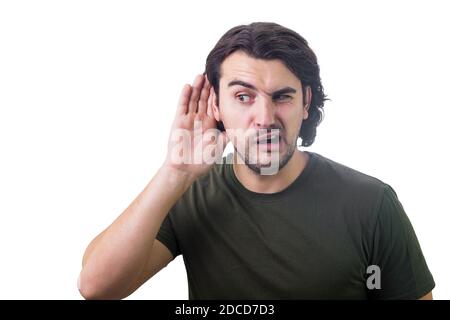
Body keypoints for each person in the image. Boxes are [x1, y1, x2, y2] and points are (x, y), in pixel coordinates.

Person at [78, 22, 435, 299]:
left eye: (282, 96)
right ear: (215, 105)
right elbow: (97, 287)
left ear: (306, 103)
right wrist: (173, 172)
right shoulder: (187, 193)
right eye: (244, 96)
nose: (264, 117)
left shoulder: (371, 204)